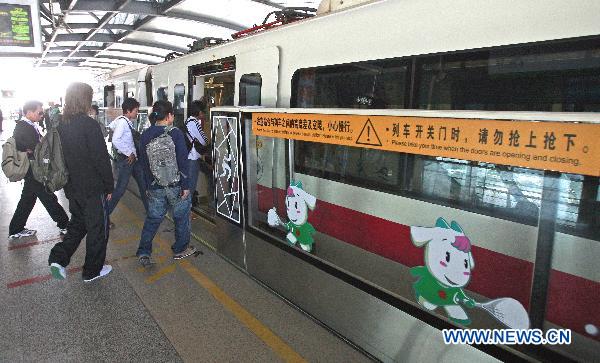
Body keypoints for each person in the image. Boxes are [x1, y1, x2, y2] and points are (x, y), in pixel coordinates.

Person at [48, 83, 114, 282]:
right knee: (98, 230)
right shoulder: (89, 125)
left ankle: (58, 258)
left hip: (72, 188)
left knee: (78, 225)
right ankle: (92, 271)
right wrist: (109, 185)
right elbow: (101, 159)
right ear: (85, 100)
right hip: (93, 189)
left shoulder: (60, 125)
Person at [136, 100, 197, 266]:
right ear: (169, 116)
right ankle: (180, 249)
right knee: (181, 218)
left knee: (153, 220)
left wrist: (148, 185)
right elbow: (182, 162)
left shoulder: (146, 135)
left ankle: (144, 252)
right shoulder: (176, 133)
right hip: (176, 185)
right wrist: (185, 186)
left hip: (155, 186)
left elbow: (144, 164)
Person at [8, 101, 70, 239]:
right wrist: (36, 147)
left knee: (27, 199)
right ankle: (64, 224)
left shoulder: (29, 125)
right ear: (29, 112)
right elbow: (32, 147)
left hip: (33, 169)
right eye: (39, 112)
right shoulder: (23, 127)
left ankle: (16, 228)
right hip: (33, 170)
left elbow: (35, 147)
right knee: (48, 197)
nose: (42, 115)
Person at [107, 97, 148, 225]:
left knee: (143, 184)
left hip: (133, 161)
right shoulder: (123, 123)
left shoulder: (123, 121)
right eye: (136, 110)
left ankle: (150, 210)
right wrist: (128, 153)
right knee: (120, 190)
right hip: (127, 161)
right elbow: (116, 140)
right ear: (129, 111)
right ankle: (105, 214)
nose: (137, 113)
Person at [185, 99, 211, 207]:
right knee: (191, 183)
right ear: (198, 112)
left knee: (206, 173)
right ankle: (187, 209)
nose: (204, 114)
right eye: (203, 111)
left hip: (191, 156)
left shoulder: (188, 121)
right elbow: (203, 140)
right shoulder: (194, 122)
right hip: (193, 157)